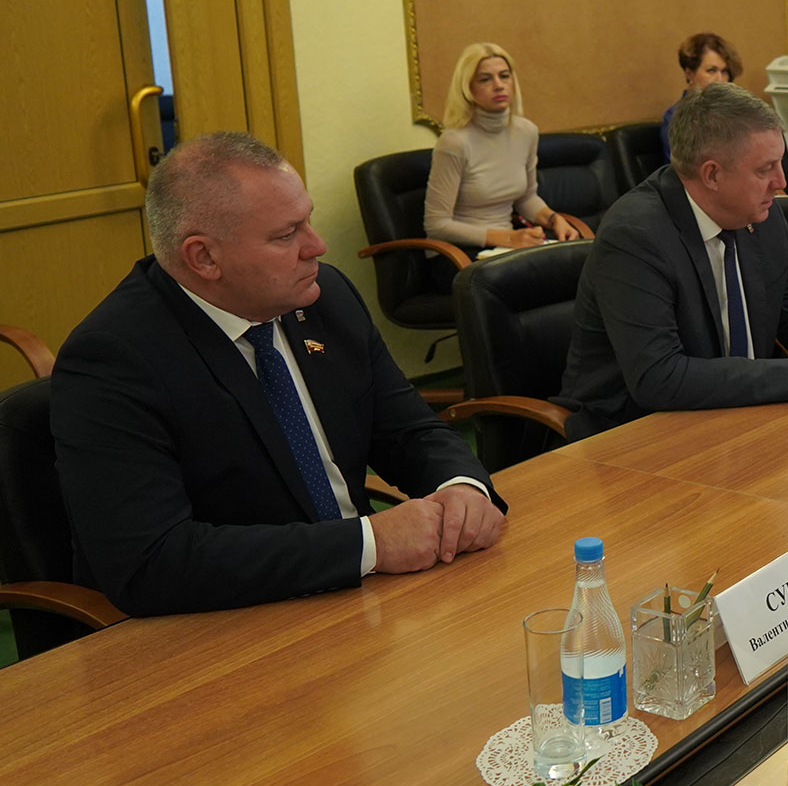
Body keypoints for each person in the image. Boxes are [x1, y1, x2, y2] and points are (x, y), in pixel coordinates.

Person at [51, 133, 506, 618]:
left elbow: (408, 429)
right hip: (231, 622)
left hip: (364, 598)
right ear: (204, 257)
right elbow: (153, 562)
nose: (317, 246)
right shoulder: (113, 359)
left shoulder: (323, 295)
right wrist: (369, 543)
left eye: (307, 220)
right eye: (286, 235)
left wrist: (461, 486)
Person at [557, 82, 788, 439]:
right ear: (712, 174)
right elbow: (659, 377)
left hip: (737, 416)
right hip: (635, 435)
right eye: (765, 169)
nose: (780, 182)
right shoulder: (635, 236)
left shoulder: (760, 214)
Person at [424, 42, 578, 250]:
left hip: (507, 247)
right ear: (467, 88)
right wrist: (508, 238)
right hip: (460, 250)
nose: (498, 85)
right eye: (485, 79)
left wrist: (554, 219)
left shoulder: (526, 131)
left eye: (504, 76)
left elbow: (526, 198)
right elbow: (436, 225)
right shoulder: (454, 142)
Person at [662, 31, 742, 150]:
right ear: (689, 73)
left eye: (724, 71)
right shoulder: (676, 118)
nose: (720, 79)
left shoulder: (736, 112)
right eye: (711, 70)